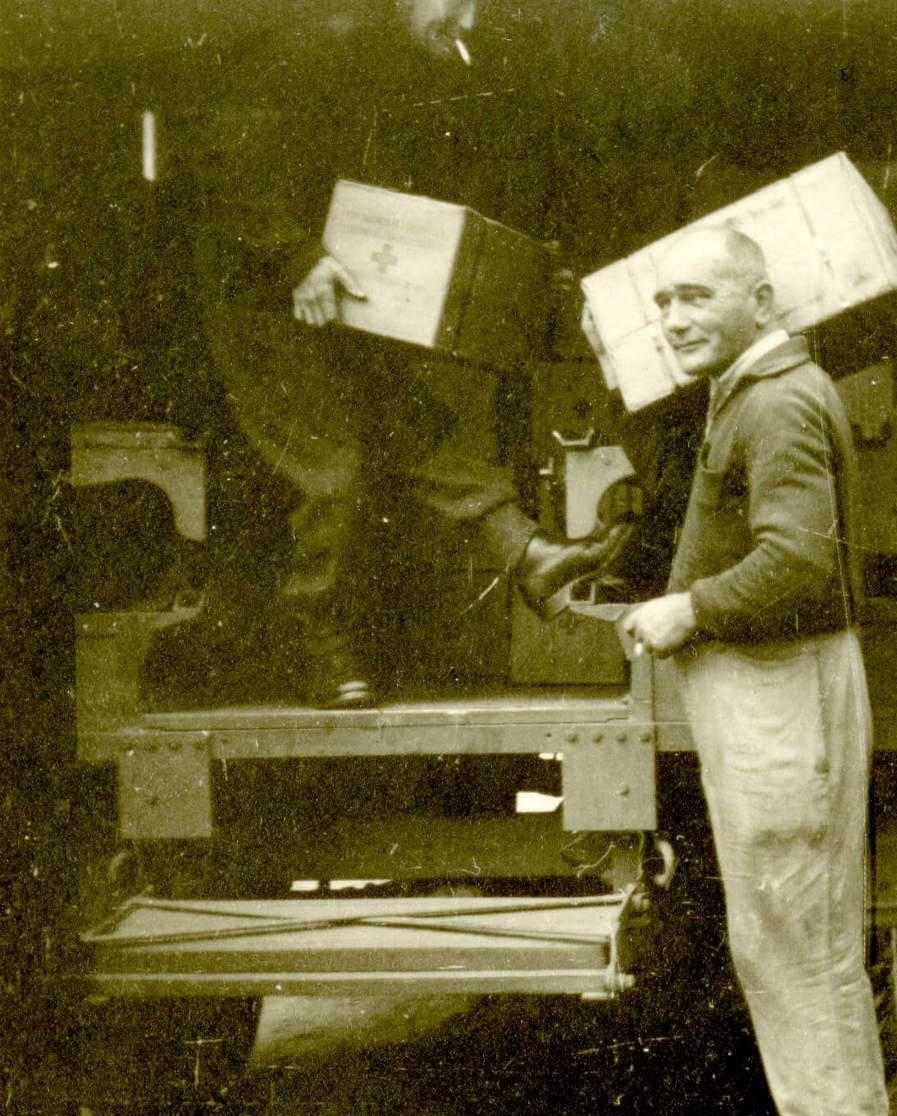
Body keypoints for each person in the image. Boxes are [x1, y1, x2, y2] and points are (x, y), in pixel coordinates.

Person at [191, 0, 621, 709]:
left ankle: (530, 555)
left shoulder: (401, 55)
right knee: (328, 467)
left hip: (345, 267)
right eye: (458, 1)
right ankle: (314, 644)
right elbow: (228, 162)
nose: (470, 22)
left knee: (415, 417)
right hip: (261, 289)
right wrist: (294, 258)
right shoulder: (314, 36)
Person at [619, 226, 894, 1116]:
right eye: (665, 305)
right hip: (774, 688)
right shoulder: (761, 388)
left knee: (791, 935)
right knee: (804, 932)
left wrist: (682, 609)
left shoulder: (775, 399)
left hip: (780, 691)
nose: (677, 318)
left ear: (762, 298)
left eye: (696, 296)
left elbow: (798, 566)